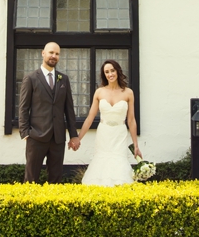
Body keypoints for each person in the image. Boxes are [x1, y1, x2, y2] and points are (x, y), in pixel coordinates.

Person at [18, 42, 79, 183]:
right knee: (31, 179)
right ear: (43, 53)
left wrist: (73, 135)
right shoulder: (31, 78)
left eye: (57, 54)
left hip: (58, 138)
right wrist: (25, 132)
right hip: (36, 136)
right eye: (51, 52)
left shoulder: (64, 79)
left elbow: (69, 109)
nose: (54, 56)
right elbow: (23, 108)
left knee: (56, 179)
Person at [76, 59, 140, 187]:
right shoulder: (99, 92)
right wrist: (78, 138)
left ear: (117, 71)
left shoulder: (128, 93)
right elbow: (90, 118)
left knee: (118, 161)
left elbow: (131, 120)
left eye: (112, 70)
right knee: (101, 160)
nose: (110, 74)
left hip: (119, 133)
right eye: (106, 72)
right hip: (104, 132)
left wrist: (136, 145)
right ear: (104, 74)